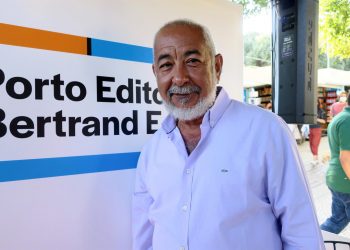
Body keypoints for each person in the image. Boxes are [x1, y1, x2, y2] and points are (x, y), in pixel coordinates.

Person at [132, 19, 325, 250]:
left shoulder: (265, 131)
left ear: (217, 66)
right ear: (156, 73)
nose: (180, 77)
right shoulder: (152, 151)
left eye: (192, 61)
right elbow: (144, 239)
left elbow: (303, 235)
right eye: (166, 65)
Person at [320, 92, 350, 234]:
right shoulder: (348, 120)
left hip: (337, 179)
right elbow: (345, 157)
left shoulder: (341, 118)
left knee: (337, 220)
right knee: (337, 219)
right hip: (346, 181)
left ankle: (315, 243)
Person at [309, 98, 327, 166]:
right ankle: (315, 158)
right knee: (310, 145)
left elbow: (324, 121)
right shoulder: (310, 111)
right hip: (310, 129)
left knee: (314, 144)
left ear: (317, 103)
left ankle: (315, 159)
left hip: (317, 129)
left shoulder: (321, 111)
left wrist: (316, 119)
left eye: (315, 102)